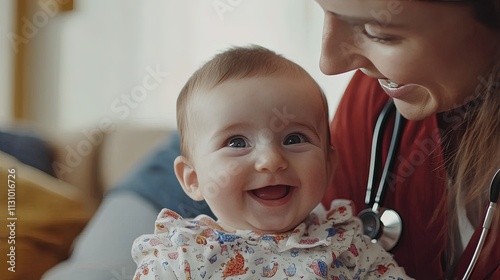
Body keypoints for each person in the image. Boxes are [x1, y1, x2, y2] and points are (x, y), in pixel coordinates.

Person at [43, 1, 500, 279]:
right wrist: (247, 145)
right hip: (196, 180)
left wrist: (268, 143)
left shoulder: (348, 247)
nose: (328, 62)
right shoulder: (181, 254)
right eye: (324, 12)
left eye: (378, 32)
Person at [131, 45, 411, 279]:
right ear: (193, 179)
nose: (271, 160)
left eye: (294, 138)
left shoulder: (349, 247)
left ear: (328, 165)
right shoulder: (180, 258)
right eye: (237, 143)